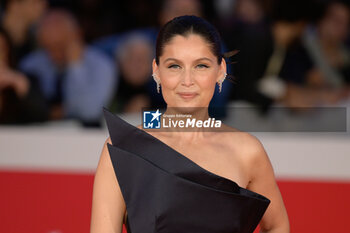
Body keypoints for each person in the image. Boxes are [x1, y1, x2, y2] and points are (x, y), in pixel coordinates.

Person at [90, 15, 289, 232]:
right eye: (174, 66)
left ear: (221, 70)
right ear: (156, 70)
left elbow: (277, 226)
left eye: (201, 66)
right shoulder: (122, 149)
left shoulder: (247, 151)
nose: (187, 81)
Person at [19, 9, 116, 126]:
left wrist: (75, 66)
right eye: (47, 47)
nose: (53, 54)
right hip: (37, 135)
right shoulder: (31, 64)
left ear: (77, 36)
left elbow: (89, 112)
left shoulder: (101, 65)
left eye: (59, 46)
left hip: (83, 139)